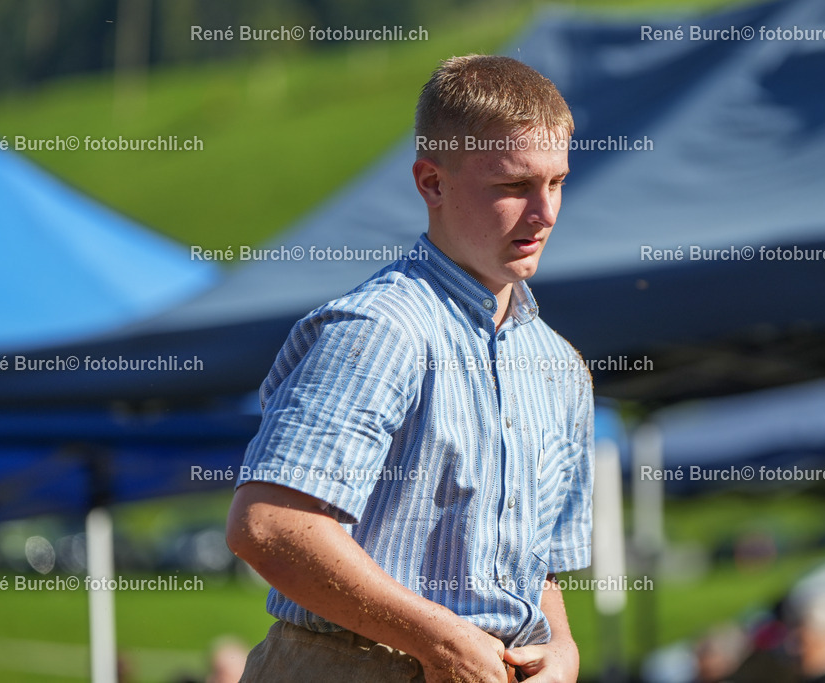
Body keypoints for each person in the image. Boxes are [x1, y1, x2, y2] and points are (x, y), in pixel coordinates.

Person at [226, 54, 594, 683]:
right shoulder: (379, 329)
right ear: (432, 183)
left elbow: (538, 567)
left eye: (556, 182)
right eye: (514, 186)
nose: (545, 212)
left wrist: (561, 648)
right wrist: (440, 639)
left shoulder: (560, 365)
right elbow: (269, 525)